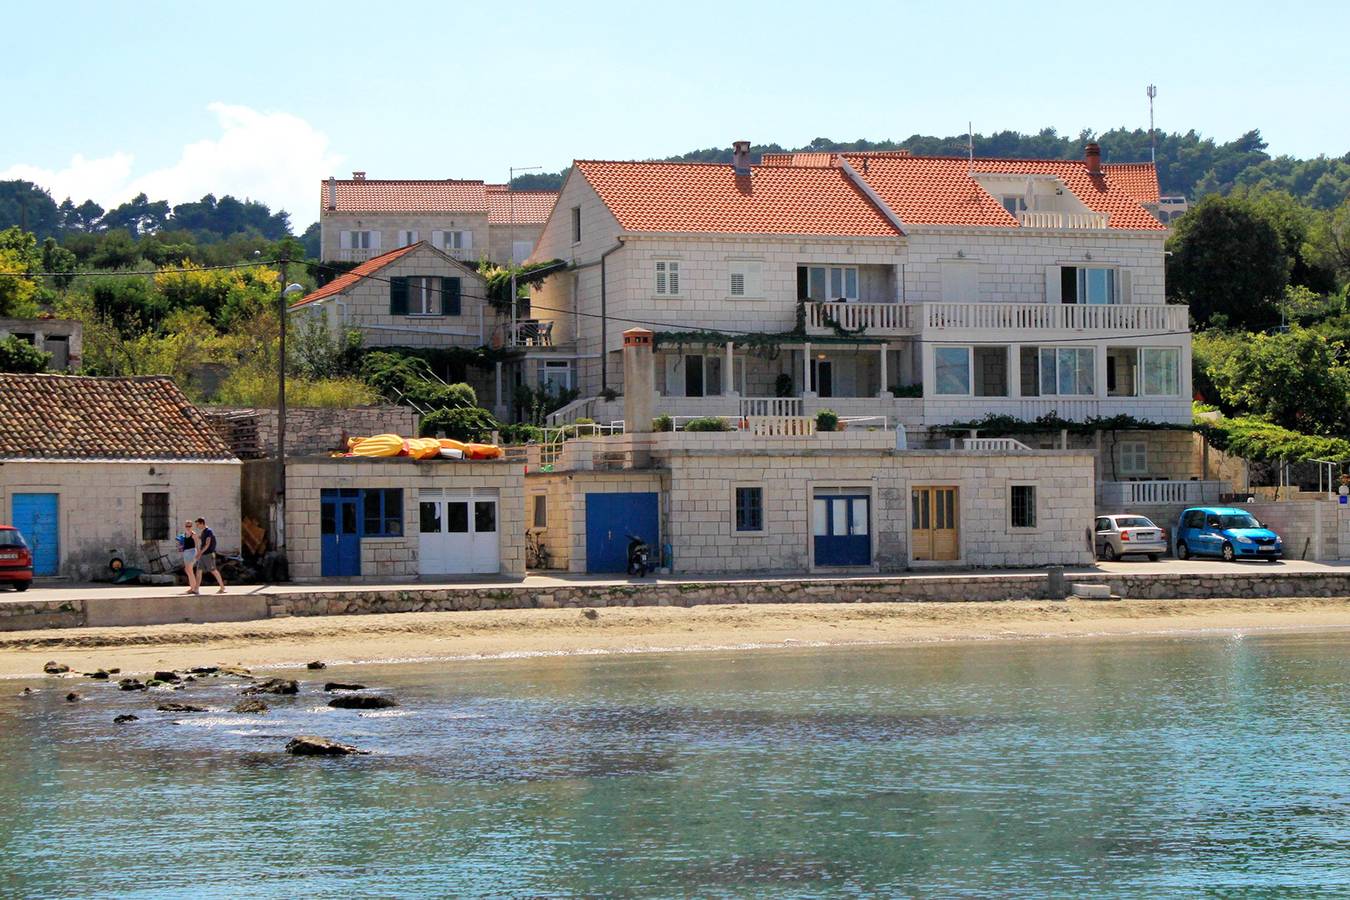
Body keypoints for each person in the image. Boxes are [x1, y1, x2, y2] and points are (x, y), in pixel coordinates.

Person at [194, 517, 226, 594]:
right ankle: (196, 589)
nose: (197, 526)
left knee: (213, 571)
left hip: (208, 554)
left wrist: (199, 553)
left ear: (202, 523)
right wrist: (195, 536)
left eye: (198, 525)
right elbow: (202, 539)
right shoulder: (204, 532)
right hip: (203, 554)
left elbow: (207, 544)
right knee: (198, 571)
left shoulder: (209, 531)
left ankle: (222, 587)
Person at [176, 521, 200, 595]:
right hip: (186, 552)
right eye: (187, 526)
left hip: (192, 552)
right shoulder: (184, 534)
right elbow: (183, 544)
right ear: (185, 526)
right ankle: (192, 587)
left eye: (189, 526)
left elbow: (197, 545)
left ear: (192, 526)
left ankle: (195, 588)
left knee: (190, 569)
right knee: (187, 570)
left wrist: (198, 554)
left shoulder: (194, 534)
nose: (188, 527)